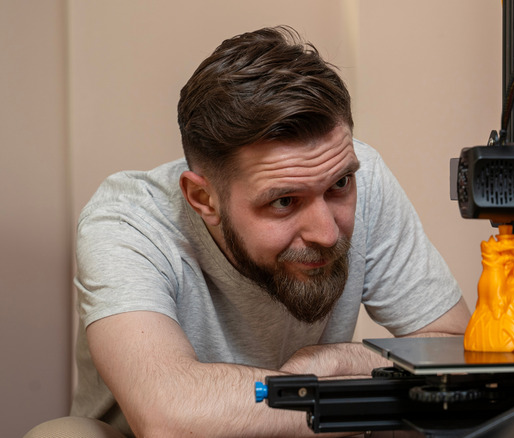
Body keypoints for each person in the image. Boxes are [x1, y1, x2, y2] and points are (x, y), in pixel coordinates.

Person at [67, 26, 470, 437]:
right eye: (283, 202)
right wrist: (352, 390)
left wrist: (338, 362)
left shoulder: (358, 173)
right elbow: (170, 417)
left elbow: (458, 351)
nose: (327, 234)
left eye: (338, 186)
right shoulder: (127, 221)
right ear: (204, 200)